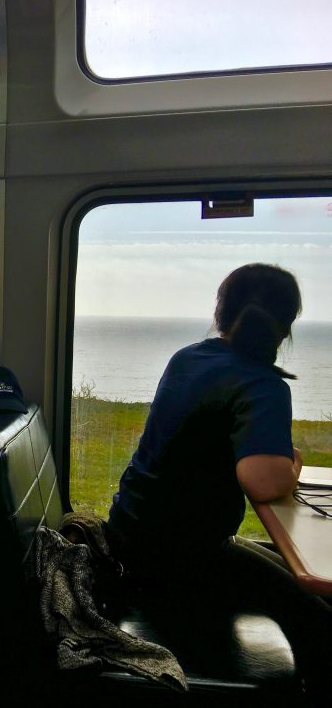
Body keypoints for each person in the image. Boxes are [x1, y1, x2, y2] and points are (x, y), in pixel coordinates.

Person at [105, 263, 331, 698]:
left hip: (130, 538)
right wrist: (290, 465)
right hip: (174, 563)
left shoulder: (189, 357)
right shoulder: (262, 383)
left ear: (220, 312)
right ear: (285, 329)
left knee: (286, 569)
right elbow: (264, 483)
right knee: (316, 614)